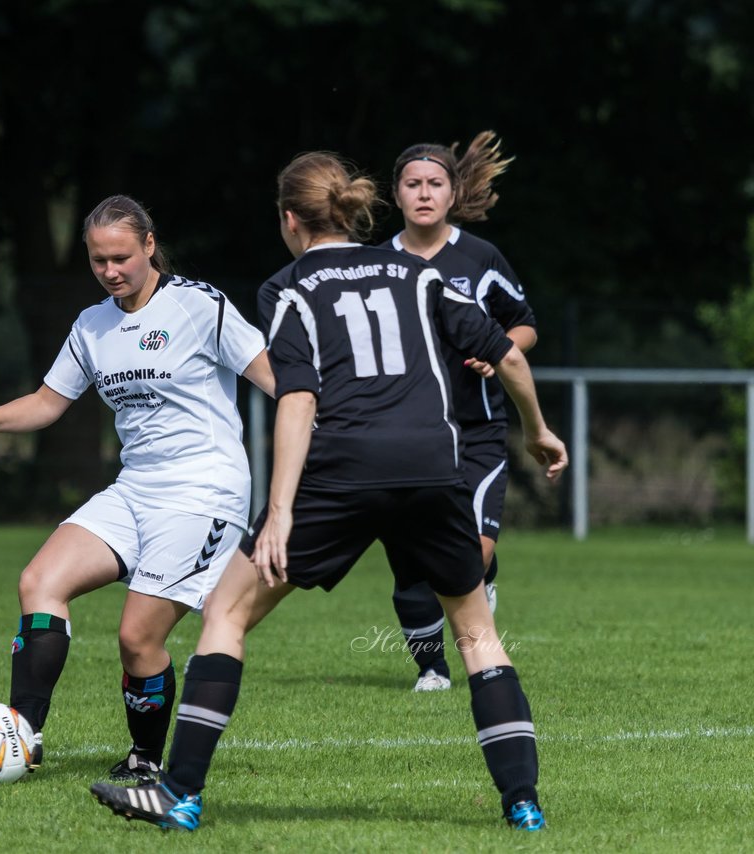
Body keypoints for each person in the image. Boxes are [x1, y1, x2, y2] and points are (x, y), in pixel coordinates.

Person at [90, 152, 567, 831]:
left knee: (225, 615)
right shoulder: (418, 271)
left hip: (342, 471)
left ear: (290, 219)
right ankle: (523, 806)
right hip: (434, 467)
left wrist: (280, 510)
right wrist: (539, 432)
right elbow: (510, 354)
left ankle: (181, 794)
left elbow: (298, 397)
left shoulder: (288, 287)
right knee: (477, 634)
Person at [0, 195, 275, 784]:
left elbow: (275, 375)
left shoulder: (197, 306)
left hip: (204, 490)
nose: (110, 271)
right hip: (136, 488)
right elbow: (49, 402)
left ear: (150, 245)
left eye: (121, 257)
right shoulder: (92, 324)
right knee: (40, 582)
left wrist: (336, 425)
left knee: (137, 636)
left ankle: (147, 759)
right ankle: (21, 737)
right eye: (98, 260)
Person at [385, 130, 537, 692]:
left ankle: (483, 578)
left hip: (476, 429)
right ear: (396, 193)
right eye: (412, 184)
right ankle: (432, 668)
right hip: (404, 436)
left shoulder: (479, 257)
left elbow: (525, 324)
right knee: (410, 563)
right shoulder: (376, 265)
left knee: (469, 554)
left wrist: (499, 354)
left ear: (453, 192)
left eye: (435, 184)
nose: (424, 193)